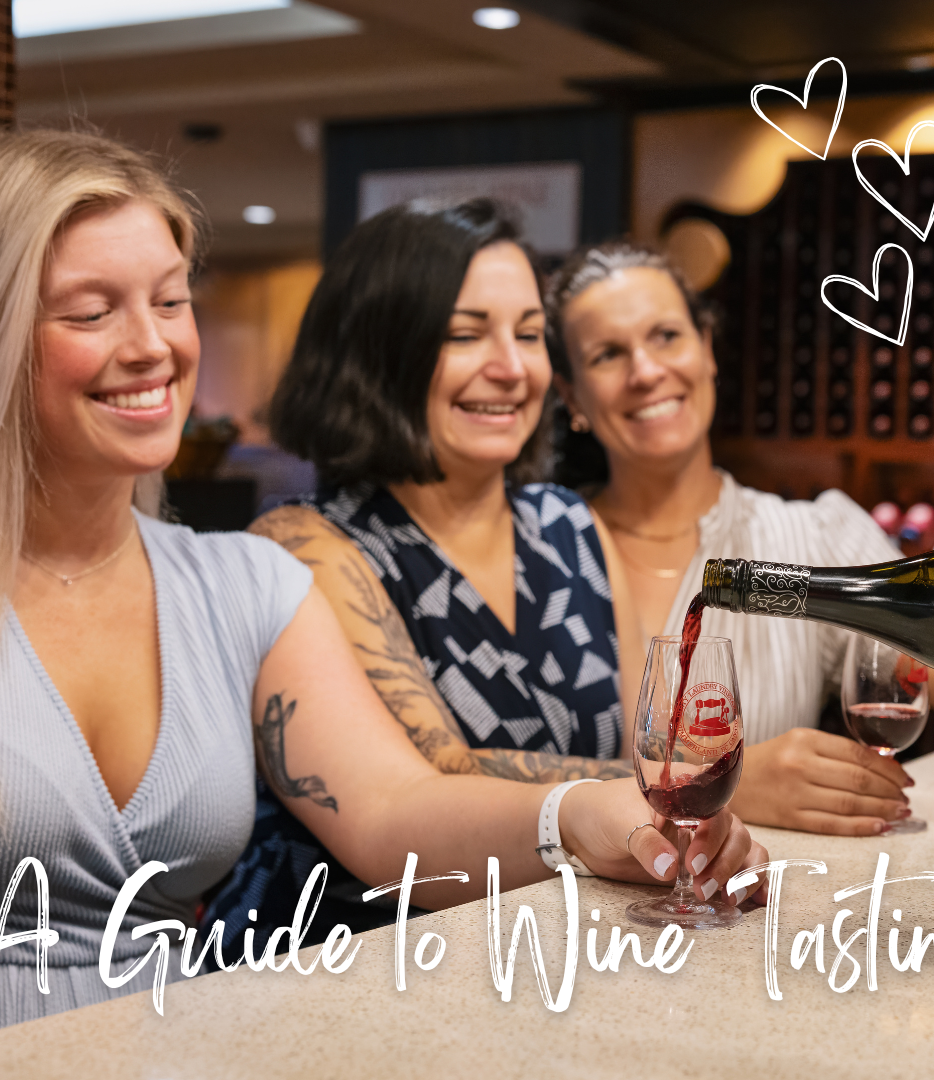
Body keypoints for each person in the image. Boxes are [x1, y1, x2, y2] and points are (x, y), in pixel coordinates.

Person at [0, 130, 766, 1039]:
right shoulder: (306, 545)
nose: (152, 347)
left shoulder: (245, 584)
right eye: (90, 311)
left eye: (171, 301)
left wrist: (584, 814)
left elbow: (393, 810)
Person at [213, 201, 648, 948]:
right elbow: (431, 775)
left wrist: (663, 782)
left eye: (530, 335)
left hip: (561, 947)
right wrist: (667, 789)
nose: (511, 368)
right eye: (464, 334)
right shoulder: (304, 546)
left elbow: (647, 746)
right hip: (354, 965)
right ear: (379, 354)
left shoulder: (571, 525)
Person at [545, 240, 934, 836]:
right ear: (571, 397)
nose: (646, 371)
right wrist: (735, 783)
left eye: (666, 335)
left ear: (708, 349)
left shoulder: (811, 535)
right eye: (608, 355)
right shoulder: (537, 550)